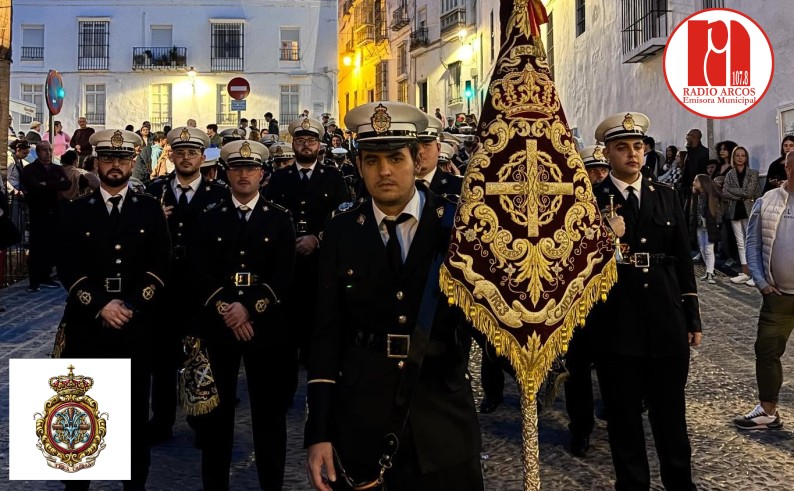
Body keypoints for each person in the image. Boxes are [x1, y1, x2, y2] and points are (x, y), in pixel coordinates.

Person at [305, 101, 483, 491]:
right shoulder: (342, 233)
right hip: (362, 417)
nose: (384, 171)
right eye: (371, 160)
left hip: (443, 415)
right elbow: (326, 334)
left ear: (418, 159)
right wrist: (318, 431)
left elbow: (490, 318)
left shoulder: (459, 226)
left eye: (395, 158)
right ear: (359, 166)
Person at [589, 112, 702, 491]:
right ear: (607, 153)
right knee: (623, 417)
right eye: (622, 147)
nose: (632, 154)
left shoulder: (666, 196)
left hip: (665, 319)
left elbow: (683, 259)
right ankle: (632, 485)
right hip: (617, 322)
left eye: (638, 147)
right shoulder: (590, 202)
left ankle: (680, 483)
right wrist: (604, 237)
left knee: (670, 415)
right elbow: (576, 265)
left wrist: (692, 317)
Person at [56, 128, 171, 491]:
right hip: (87, 325)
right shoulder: (76, 211)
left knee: (133, 417)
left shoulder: (150, 209)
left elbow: (160, 263)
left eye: (122, 159)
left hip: (134, 326)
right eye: (108, 159)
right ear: (96, 162)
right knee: (77, 417)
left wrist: (131, 305)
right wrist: (101, 305)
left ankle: (133, 485)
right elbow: (68, 266)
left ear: (133, 163)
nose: (115, 165)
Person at [189, 139, 296, 491]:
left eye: (250, 168)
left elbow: (284, 271)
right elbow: (199, 269)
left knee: (269, 414)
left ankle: (272, 484)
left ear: (262, 175)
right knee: (216, 417)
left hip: (265, 327)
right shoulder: (209, 217)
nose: (244, 175)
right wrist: (227, 308)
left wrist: (249, 307)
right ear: (226, 174)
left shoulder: (279, 218)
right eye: (237, 168)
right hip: (220, 326)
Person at [144, 126, 229, 444]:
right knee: (161, 359)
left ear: (201, 157)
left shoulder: (219, 195)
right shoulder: (155, 192)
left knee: (202, 356)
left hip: (201, 289)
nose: (186, 158)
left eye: (192, 153)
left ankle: (202, 419)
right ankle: (162, 419)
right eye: (180, 152)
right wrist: (157, 222)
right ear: (172, 156)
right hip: (164, 287)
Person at [264, 117, 349, 364]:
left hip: (320, 261)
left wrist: (317, 238)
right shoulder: (280, 178)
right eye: (300, 141)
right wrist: (289, 240)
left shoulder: (332, 177)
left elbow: (341, 214)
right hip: (287, 261)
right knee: (288, 322)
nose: (305, 146)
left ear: (319, 146)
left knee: (318, 314)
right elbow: (270, 214)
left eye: (311, 141)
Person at [733, 151, 794, 430]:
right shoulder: (767, 200)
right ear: (788, 168)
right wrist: (761, 282)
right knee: (767, 351)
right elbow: (753, 243)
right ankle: (768, 411)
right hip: (777, 295)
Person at [20, 141, 69, 292]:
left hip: (55, 212)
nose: (48, 153)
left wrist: (45, 184)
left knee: (52, 245)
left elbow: (66, 184)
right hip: (38, 212)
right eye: (45, 150)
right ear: (39, 152)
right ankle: (34, 280)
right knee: (37, 247)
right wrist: (53, 184)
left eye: (50, 150)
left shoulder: (57, 168)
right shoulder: (30, 169)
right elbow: (33, 186)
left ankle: (46, 276)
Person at [723, 146, 761, 287]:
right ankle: (745, 272)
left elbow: (749, 193)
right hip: (735, 211)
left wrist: (733, 192)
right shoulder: (729, 174)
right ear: (733, 158)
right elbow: (725, 193)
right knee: (740, 242)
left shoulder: (753, 173)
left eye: (743, 155)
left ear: (746, 157)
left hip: (749, 210)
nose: (740, 158)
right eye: (737, 155)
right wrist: (740, 193)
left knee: (750, 242)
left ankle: (754, 273)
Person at [415, 114, 462, 196]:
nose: (420, 151)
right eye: (414, 146)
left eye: (426, 145)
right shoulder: (395, 185)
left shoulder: (459, 186)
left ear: (438, 148)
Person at [690, 174, 723, 284]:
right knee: (702, 248)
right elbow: (693, 211)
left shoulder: (712, 196)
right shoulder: (696, 195)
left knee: (709, 249)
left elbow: (717, 212)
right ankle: (709, 270)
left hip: (710, 225)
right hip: (700, 225)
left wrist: (717, 223)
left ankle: (710, 272)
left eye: (696, 180)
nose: (694, 182)